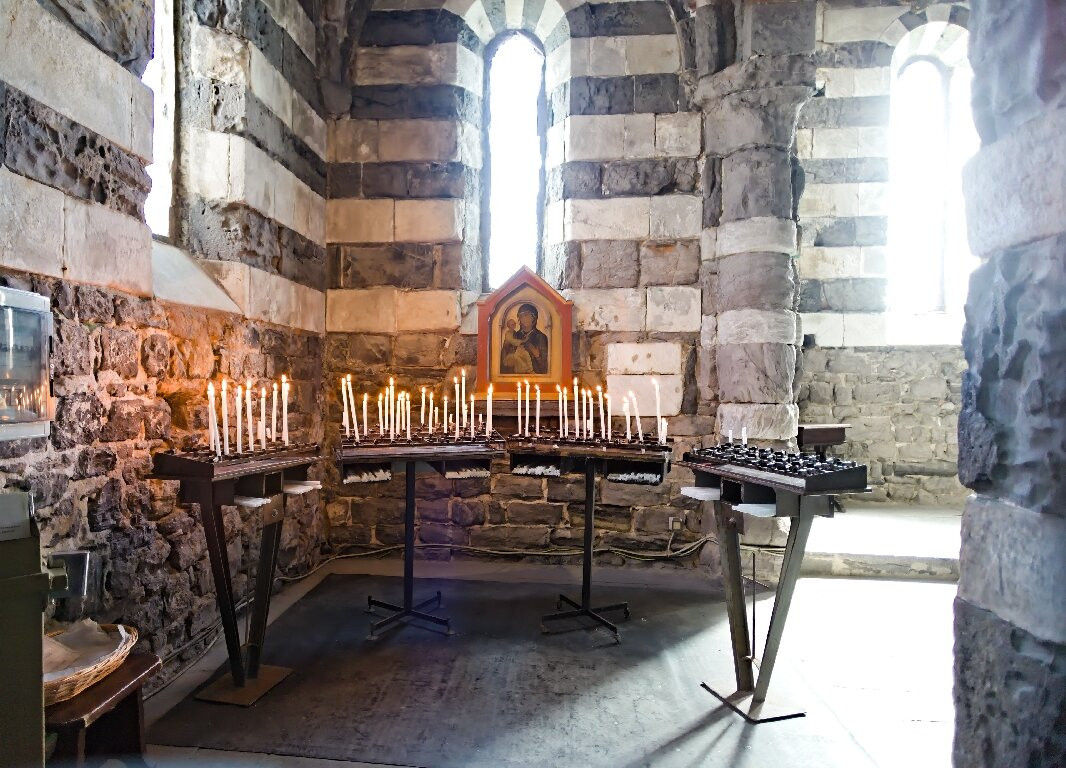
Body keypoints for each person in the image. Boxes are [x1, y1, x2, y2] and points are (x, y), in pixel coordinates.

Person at [500, 303, 549, 375]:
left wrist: (537, 356)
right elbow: (503, 363)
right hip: (515, 376)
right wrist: (506, 348)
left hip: (535, 378)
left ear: (533, 317)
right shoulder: (514, 335)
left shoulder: (541, 337)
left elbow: (545, 367)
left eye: (526, 315)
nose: (522, 318)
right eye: (520, 316)